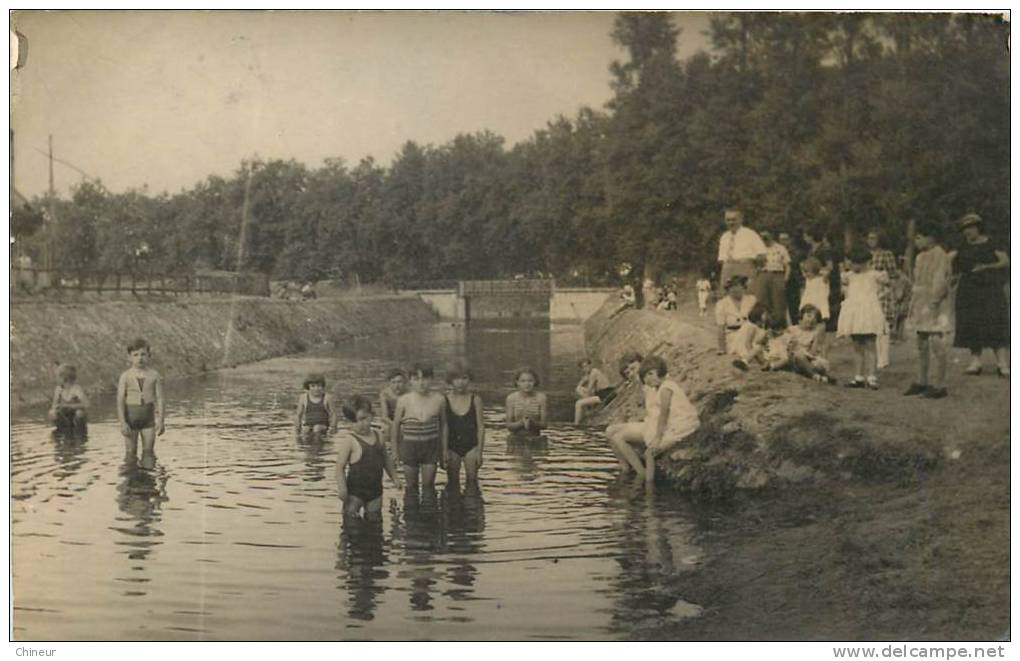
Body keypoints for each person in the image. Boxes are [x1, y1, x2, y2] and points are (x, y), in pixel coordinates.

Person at [605, 356, 699, 484]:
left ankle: (641, 474)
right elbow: (651, 410)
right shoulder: (650, 385)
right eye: (645, 376)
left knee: (619, 438)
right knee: (611, 432)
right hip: (657, 423)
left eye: (633, 369)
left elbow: (663, 414)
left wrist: (658, 436)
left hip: (671, 424)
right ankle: (627, 468)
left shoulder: (664, 386)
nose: (647, 378)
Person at [952, 213, 1010, 377]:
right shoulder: (963, 245)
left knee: (994, 320)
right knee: (971, 322)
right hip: (969, 289)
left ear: (978, 227)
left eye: (970, 228)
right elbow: (952, 259)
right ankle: (976, 362)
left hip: (990, 288)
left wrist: (987, 267)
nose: (967, 232)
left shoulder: (991, 242)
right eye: (964, 229)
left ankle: (1002, 363)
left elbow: (1006, 261)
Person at [904, 222, 953, 399]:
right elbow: (917, 281)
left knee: (937, 342)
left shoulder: (940, 255)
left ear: (930, 237)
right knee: (921, 341)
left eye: (919, 237)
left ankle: (940, 384)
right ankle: (922, 380)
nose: (916, 242)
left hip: (934, 303)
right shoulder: (920, 257)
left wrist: (933, 302)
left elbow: (940, 282)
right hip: (920, 301)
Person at [335, 395, 401, 520]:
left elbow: (386, 459)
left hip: (375, 491)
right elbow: (340, 467)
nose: (360, 424)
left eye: (364, 418)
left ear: (372, 415)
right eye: (355, 421)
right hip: (354, 492)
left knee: (375, 521)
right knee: (350, 521)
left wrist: (395, 477)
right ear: (348, 423)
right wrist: (342, 488)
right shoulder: (350, 441)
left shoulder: (379, 436)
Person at [391, 363, 447, 500]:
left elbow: (444, 425)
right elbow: (396, 426)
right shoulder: (403, 400)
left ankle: (428, 516)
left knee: (428, 486)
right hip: (410, 446)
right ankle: (411, 518)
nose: (421, 383)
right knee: (411, 487)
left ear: (432, 379)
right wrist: (395, 451)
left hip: (431, 446)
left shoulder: (439, 399)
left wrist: (444, 450)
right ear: (410, 381)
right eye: (416, 379)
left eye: (425, 378)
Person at [837, 246, 888, 389]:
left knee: (870, 344)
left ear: (866, 262)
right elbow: (845, 289)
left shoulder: (874, 275)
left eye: (857, 263)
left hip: (868, 312)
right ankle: (858, 376)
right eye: (852, 262)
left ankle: (871, 377)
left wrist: (879, 296)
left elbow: (887, 285)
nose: (854, 266)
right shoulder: (849, 276)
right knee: (857, 345)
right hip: (855, 312)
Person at [116, 338, 166, 464]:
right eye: (136, 355)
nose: (140, 358)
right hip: (130, 418)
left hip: (148, 419)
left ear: (149, 356)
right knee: (130, 453)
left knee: (148, 453)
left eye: (143, 354)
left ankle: (149, 480)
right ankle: (131, 479)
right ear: (129, 357)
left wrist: (161, 421)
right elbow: (120, 400)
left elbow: (160, 398)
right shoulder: (125, 376)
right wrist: (123, 422)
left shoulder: (154, 375)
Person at [444, 361, 486, 494]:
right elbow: (443, 427)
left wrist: (479, 451)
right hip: (452, 447)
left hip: (471, 446)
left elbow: (481, 427)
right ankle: (453, 511)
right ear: (450, 380)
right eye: (456, 379)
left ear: (470, 380)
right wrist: (444, 450)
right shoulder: (445, 400)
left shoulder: (475, 400)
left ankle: (473, 510)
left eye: (464, 378)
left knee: (472, 481)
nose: (460, 382)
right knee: (452, 481)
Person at [866, 229, 900, 369]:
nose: (870, 240)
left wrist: (887, 286)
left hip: (883, 292)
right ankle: (874, 356)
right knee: (872, 325)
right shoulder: (866, 255)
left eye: (873, 238)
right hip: (869, 292)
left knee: (884, 324)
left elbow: (893, 275)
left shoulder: (886, 254)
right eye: (869, 238)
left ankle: (883, 357)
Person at [780, 304, 833, 382]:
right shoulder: (792, 329)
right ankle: (813, 375)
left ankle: (808, 371)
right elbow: (784, 345)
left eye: (815, 318)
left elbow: (813, 353)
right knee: (798, 355)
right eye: (809, 316)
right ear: (801, 317)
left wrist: (817, 338)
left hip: (807, 358)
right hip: (793, 358)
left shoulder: (814, 334)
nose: (812, 319)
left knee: (822, 364)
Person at [717, 207, 767, 292]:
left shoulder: (750, 234)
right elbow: (721, 260)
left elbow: (762, 256)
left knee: (746, 299)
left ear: (741, 219)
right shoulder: (724, 237)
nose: (731, 223)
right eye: (728, 220)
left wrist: (752, 269)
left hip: (745, 270)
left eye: (734, 220)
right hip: (728, 270)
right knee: (727, 299)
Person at [715, 275, 758, 357]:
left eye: (738, 286)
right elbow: (720, 328)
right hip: (733, 336)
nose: (735, 289)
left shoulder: (752, 300)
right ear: (728, 289)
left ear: (743, 287)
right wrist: (721, 348)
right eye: (732, 287)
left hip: (752, 335)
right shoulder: (722, 304)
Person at [757, 230, 791, 328]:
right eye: (762, 237)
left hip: (777, 274)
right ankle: (765, 325)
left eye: (766, 237)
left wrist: (785, 279)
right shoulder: (759, 249)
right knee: (764, 301)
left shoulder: (780, 248)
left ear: (771, 236)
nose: (765, 240)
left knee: (778, 302)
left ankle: (778, 325)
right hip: (764, 274)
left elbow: (787, 265)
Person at [505, 367, 548, 436]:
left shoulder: (541, 398)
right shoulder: (511, 398)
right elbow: (508, 425)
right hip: (515, 438)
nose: (527, 384)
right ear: (517, 382)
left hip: (535, 438)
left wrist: (533, 423)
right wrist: (521, 423)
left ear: (535, 381)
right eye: (523, 381)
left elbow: (544, 425)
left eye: (530, 381)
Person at [48, 363, 89, 436]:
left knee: (79, 413)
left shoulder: (76, 389)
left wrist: (69, 406)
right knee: (52, 413)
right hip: (65, 415)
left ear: (65, 378)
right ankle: (62, 431)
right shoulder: (59, 389)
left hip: (75, 415)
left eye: (58, 377)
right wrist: (57, 407)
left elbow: (87, 404)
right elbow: (54, 405)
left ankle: (79, 434)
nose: (56, 379)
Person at [573, 358, 616, 425]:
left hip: (606, 393)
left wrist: (583, 396)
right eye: (583, 367)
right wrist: (584, 379)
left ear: (590, 365)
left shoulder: (594, 372)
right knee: (578, 389)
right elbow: (579, 387)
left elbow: (589, 390)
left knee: (578, 403)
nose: (586, 369)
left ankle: (576, 425)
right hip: (601, 394)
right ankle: (589, 409)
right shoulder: (590, 374)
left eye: (587, 366)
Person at [731, 302, 772, 371]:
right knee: (758, 349)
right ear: (758, 314)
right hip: (745, 348)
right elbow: (748, 343)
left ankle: (764, 363)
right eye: (764, 314)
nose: (766, 316)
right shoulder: (752, 326)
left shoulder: (761, 327)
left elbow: (760, 341)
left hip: (754, 349)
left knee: (763, 351)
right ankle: (744, 361)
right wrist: (755, 355)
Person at [295, 373, 335, 438]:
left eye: (319, 386)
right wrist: (297, 428)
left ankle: (318, 446)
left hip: (323, 425)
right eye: (313, 386)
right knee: (305, 430)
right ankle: (306, 447)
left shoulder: (327, 397)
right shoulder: (303, 397)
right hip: (308, 424)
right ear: (308, 387)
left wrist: (333, 428)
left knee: (317, 428)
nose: (316, 388)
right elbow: (298, 415)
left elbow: (333, 414)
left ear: (323, 386)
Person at [779, 231, 805, 325]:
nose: (783, 241)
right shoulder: (777, 250)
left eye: (785, 239)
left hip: (793, 280)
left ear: (789, 240)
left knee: (793, 303)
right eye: (781, 239)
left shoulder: (794, 251)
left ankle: (795, 323)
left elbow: (795, 263)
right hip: (779, 278)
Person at [799, 257, 830, 324]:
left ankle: (822, 321)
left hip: (819, 299)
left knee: (820, 311)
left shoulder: (822, 279)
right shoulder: (808, 280)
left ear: (814, 271)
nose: (805, 274)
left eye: (807, 272)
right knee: (807, 311)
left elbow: (826, 273)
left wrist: (819, 272)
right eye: (804, 272)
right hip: (809, 299)